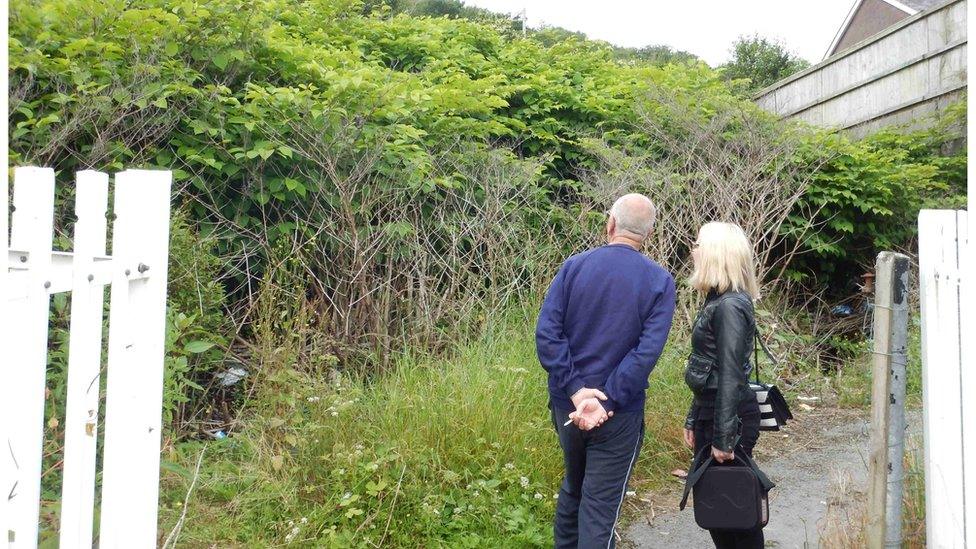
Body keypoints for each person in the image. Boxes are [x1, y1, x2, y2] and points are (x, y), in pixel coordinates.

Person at [536, 193, 676, 549]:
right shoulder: (659, 282)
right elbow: (646, 353)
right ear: (649, 233)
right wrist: (606, 399)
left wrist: (575, 390)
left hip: (567, 407)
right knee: (600, 506)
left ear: (610, 223)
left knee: (574, 487)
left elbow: (548, 334)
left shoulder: (574, 266)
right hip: (619, 413)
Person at [682, 221, 764, 549]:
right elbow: (709, 368)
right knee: (722, 511)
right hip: (713, 412)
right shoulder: (719, 300)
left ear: (717, 254)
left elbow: (731, 376)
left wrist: (724, 438)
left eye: (699, 244)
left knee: (733, 512)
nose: (693, 250)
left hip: (727, 417)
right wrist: (693, 415)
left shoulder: (730, 305)